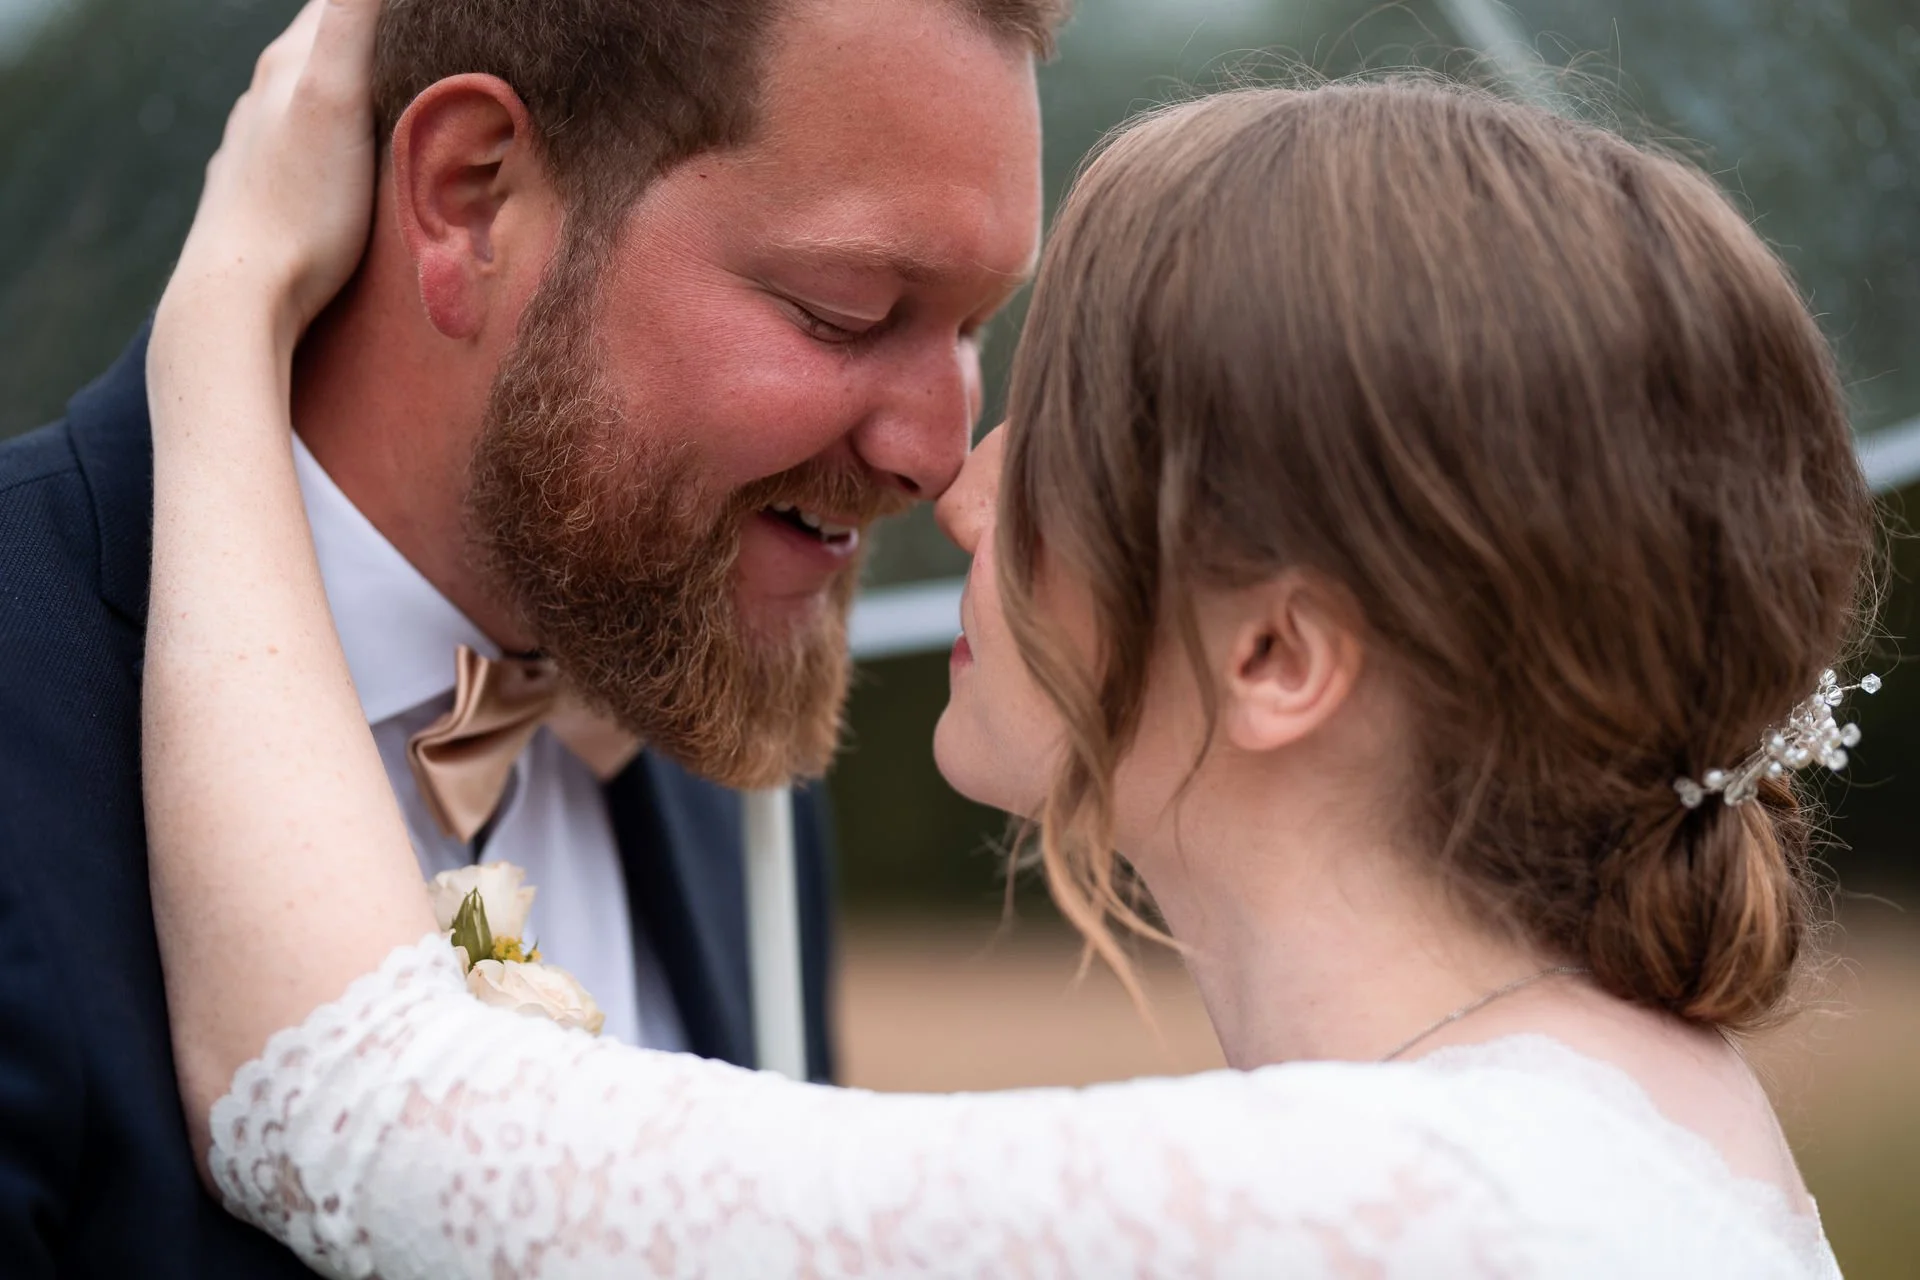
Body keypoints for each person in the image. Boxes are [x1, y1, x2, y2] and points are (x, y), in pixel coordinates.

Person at [143, 1, 1875, 1275]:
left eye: (1060, 431)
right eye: (846, 312)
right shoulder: (1633, 1123)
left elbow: (351, 1098)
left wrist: (221, 313)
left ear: (1280, 656)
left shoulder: (1407, 1205)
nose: (954, 485)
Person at [0, 0, 1061, 1273]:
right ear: (470, 196)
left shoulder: (711, 714)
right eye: (845, 310)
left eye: (972, 326)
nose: (939, 453)